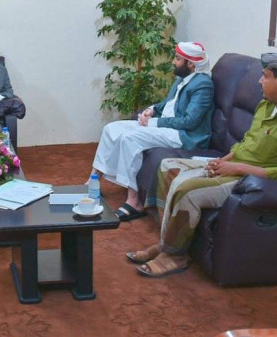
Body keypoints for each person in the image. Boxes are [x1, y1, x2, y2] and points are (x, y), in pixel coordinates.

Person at [127, 50, 277, 278]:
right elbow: (246, 143)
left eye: (265, 76)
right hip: (234, 165)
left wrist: (237, 168)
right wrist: (223, 160)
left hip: (250, 179)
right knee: (167, 167)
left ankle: (174, 256)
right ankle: (168, 243)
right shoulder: (266, 106)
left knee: (187, 191)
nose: (259, 81)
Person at [90, 42, 215, 221]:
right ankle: (93, 180)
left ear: (191, 64)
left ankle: (134, 201)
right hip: (167, 126)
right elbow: (169, 104)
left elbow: (190, 121)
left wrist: (154, 122)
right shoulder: (183, 78)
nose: (173, 62)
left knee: (131, 138)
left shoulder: (203, 85)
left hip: (184, 135)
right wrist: (153, 110)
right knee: (111, 128)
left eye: (177, 59)